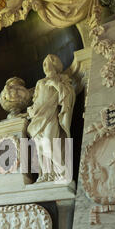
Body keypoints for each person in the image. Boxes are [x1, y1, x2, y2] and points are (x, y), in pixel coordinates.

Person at [27, 54, 76, 183]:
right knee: (40, 148)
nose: (44, 66)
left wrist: (56, 84)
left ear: (54, 64)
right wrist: (31, 110)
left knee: (49, 144)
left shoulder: (62, 79)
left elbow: (68, 96)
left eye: (46, 63)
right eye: (43, 64)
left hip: (51, 116)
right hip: (37, 117)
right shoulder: (40, 82)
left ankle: (62, 172)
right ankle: (46, 175)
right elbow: (36, 100)